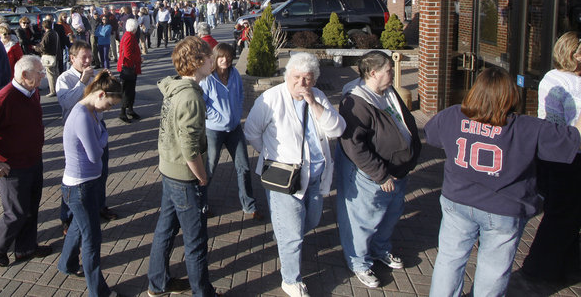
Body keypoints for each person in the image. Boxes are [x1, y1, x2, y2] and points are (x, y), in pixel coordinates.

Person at [425, 66, 581, 296]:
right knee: (493, 268)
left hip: (456, 200)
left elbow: (431, 135)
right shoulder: (528, 128)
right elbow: (573, 140)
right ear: (510, 96)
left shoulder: (452, 115)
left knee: (450, 258)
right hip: (503, 210)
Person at [244, 52, 345, 297]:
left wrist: (314, 104)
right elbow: (251, 132)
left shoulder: (318, 97)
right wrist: (270, 155)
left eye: (308, 78)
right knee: (292, 235)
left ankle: (286, 237)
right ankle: (291, 280)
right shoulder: (271, 99)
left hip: (315, 176)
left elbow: (337, 129)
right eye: (296, 77)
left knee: (310, 221)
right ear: (287, 76)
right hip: (284, 179)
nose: (302, 83)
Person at [335, 50, 421, 289]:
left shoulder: (388, 91)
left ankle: (380, 249)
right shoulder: (356, 102)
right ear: (373, 73)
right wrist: (380, 174)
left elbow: (405, 122)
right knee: (363, 218)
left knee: (390, 214)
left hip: (398, 171)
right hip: (373, 175)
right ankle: (359, 261)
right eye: (388, 70)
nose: (392, 73)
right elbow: (354, 146)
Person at [0, 55, 53, 267]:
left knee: (31, 208)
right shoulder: (3, 99)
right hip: (12, 167)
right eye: (39, 72)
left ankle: (26, 248)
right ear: (24, 75)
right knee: (17, 212)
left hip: (33, 160)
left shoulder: (32, 92)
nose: (43, 75)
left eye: (43, 72)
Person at [147, 36, 217, 297]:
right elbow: (189, 147)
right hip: (183, 177)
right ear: (198, 62)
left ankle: (158, 283)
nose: (212, 60)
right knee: (196, 241)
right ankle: (203, 293)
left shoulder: (176, 87)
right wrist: (202, 176)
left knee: (166, 228)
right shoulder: (190, 98)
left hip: (169, 169)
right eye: (209, 57)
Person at [58, 72, 125, 297]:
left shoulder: (92, 111)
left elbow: (97, 145)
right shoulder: (82, 116)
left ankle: (66, 264)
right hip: (79, 187)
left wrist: (101, 137)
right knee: (92, 238)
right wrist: (104, 137)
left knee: (79, 225)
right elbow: (96, 153)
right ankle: (99, 292)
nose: (108, 109)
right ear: (100, 93)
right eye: (109, 104)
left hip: (87, 184)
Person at [521, 31, 581, 281]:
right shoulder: (555, 80)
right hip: (564, 157)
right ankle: (540, 268)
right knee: (561, 212)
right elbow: (553, 124)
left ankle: (568, 264)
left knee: (574, 214)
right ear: (571, 54)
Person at [57, 42, 118, 224]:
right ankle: (67, 217)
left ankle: (99, 206)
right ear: (72, 58)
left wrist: (109, 83)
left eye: (90, 57)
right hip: (76, 134)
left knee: (102, 170)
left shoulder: (94, 75)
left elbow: (107, 99)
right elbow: (67, 103)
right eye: (84, 57)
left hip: (97, 126)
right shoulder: (65, 78)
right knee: (75, 176)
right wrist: (83, 81)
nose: (88, 61)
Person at [200, 43, 260, 219]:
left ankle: (249, 205)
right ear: (215, 58)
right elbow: (202, 103)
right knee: (209, 169)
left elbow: (241, 93)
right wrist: (217, 118)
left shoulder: (234, 74)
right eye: (221, 57)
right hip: (214, 130)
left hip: (234, 128)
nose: (225, 60)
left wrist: (237, 111)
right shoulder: (208, 79)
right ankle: (201, 204)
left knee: (244, 166)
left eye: (228, 57)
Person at [117, 18, 142, 124]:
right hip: (128, 67)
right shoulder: (129, 37)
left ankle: (130, 109)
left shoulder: (129, 36)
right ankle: (123, 112)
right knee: (127, 91)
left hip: (130, 67)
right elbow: (128, 54)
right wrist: (138, 59)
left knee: (131, 90)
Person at [38, 17, 62, 97]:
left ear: (44, 27)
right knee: (56, 73)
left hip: (49, 56)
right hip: (56, 55)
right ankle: (59, 89)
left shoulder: (47, 35)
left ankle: (53, 90)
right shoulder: (55, 33)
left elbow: (44, 47)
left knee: (50, 74)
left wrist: (36, 48)